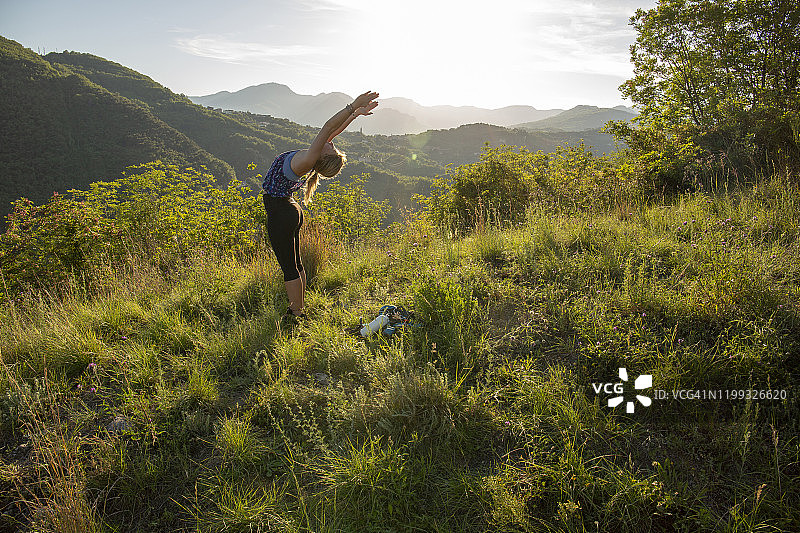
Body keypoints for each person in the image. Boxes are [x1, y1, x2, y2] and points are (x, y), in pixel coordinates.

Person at [262, 90, 379, 320]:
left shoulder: (308, 160)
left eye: (332, 148)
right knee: (295, 262)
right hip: (290, 209)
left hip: (281, 212)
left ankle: (296, 313)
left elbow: (327, 128)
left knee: (289, 266)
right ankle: (299, 307)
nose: (331, 143)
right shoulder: (312, 158)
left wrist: (353, 104)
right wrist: (354, 114)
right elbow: (333, 131)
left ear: (324, 156)